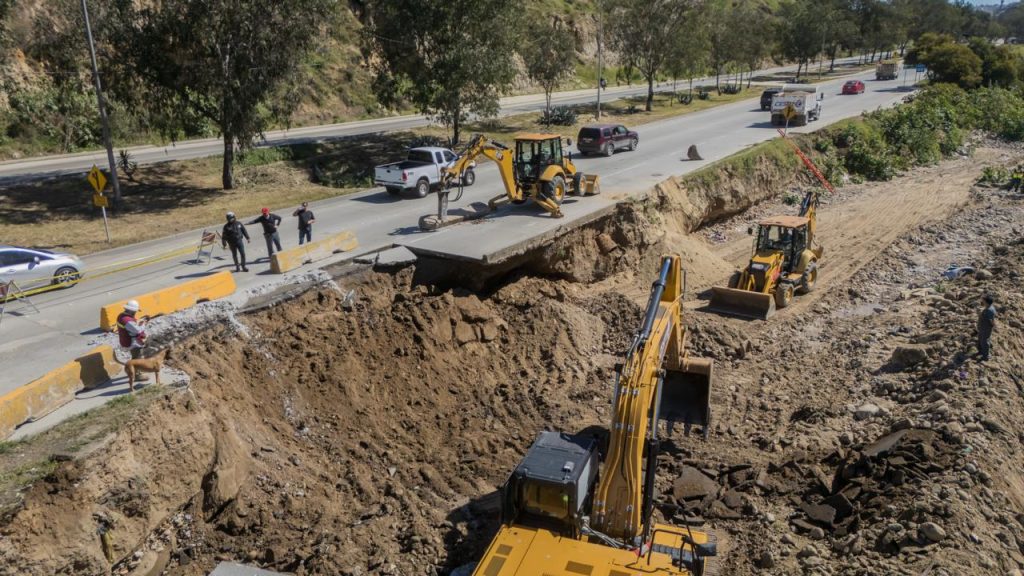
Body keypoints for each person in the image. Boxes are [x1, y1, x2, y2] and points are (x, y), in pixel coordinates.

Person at [116, 300, 149, 381]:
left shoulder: (121, 316)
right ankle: (137, 375)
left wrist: (138, 322)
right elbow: (137, 330)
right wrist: (144, 324)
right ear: (132, 311)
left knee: (136, 357)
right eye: (135, 311)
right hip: (133, 342)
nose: (135, 313)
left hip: (127, 339)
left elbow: (131, 327)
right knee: (137, 358)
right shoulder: (127, 321)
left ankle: (133, 371)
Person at [977, 294, 997, 361]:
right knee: (980, 339)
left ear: (986, 302)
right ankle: (980, 351)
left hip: (986, 328)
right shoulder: (988, 308)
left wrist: (993, 326)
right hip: (982, 327)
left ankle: (986, 356)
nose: (982, 301)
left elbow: (992, 320)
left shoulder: (989, 310)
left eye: (983, 300)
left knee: (984, 341)